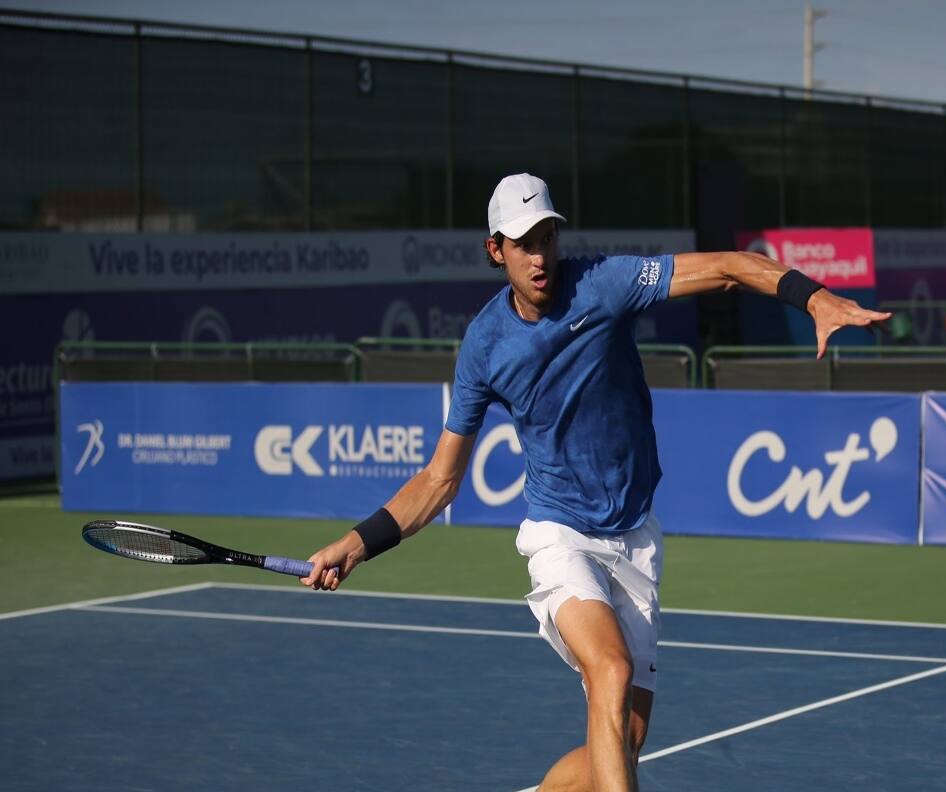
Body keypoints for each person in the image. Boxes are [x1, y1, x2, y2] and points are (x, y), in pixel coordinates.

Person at [300, 173, 890, 791]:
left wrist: (814, 298)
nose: (539, 256)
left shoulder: (604, 285)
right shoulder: (484, 344)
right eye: (523, 243)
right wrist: (356, 542)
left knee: (623, 740)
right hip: (560, 535)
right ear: (495, 249)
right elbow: (439, 481)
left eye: (547, 238)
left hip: (635, 536)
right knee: (609, 671)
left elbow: (730, 266)